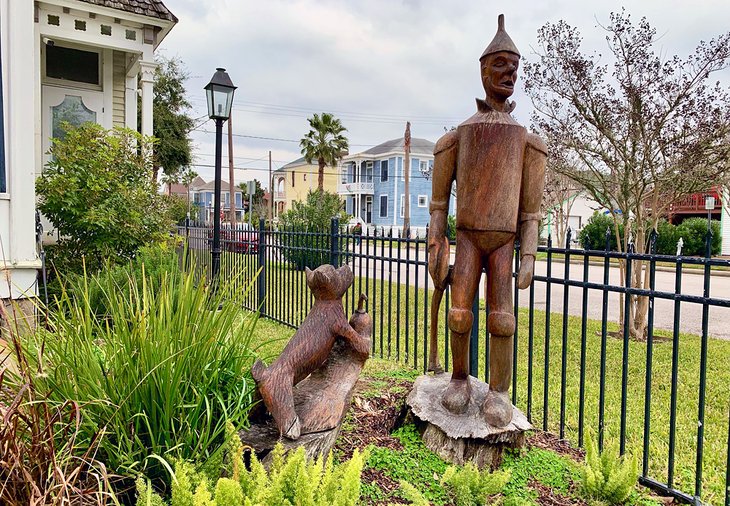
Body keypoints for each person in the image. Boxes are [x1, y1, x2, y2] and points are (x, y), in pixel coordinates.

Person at [428, 14, 546, 427]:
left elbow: (532, 210)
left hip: (502, 243)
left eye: (514, 67)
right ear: (482, 70)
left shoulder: (528, 143)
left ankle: (498, 391)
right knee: (459, 313)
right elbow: (439, 205)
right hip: (468, 239)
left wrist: (528, 253)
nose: (509, 73)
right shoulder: (457, 138)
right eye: (500, 65)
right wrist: (435, 245)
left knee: (502, 317)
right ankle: (459, 378)